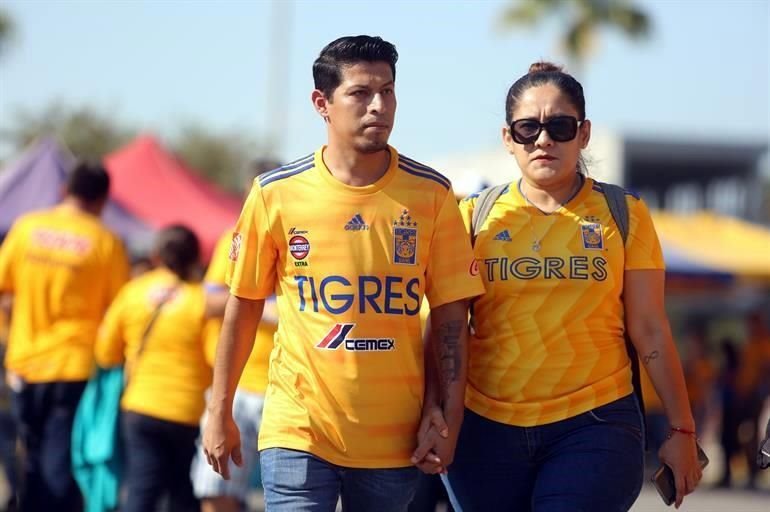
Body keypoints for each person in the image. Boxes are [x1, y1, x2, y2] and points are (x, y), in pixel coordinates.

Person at [202, 35, 484, 511]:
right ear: (322, 103)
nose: (379, 106)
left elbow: (452, 317)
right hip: (297, 430)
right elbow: (243, 306)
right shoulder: (275, 193)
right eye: (361, 93)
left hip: (394, 440)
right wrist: (218, 410)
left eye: (388, 91)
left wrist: (446, 416)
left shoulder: (432, 195)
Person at [440, 62, 703, 511]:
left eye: (559, 127)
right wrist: (440, 417)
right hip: (485, 428)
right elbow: (448, 331)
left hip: (595, 422)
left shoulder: (625, 213)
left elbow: (650, 328)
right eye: (528, 128)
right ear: (508, 139)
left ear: (583, 134)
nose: (543, 140)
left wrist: (682, 431)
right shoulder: (473, 217)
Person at [0, 161, 129, 511]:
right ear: (102, 200)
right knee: (60, 458)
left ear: (64, 190)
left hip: (24, 364)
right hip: (74, 366)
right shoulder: (105, 241)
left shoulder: (27, 228)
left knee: (30, 454)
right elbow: (120, 311)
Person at [95, 225, 213, 512]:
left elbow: (105, 352)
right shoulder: (203, 302)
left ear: (156, 254)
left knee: (141, 489)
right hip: (187, 411)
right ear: (195, 258)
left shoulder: (133, 292)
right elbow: (214, 357)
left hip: (140, 406)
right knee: (183, 493)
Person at [190, 160, 281, 512]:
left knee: (296, 495)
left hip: (289, 388)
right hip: (237, 387)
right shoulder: (235, 238)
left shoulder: (306, 234)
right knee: (217, 486)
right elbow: (209, 299)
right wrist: (259, 306)